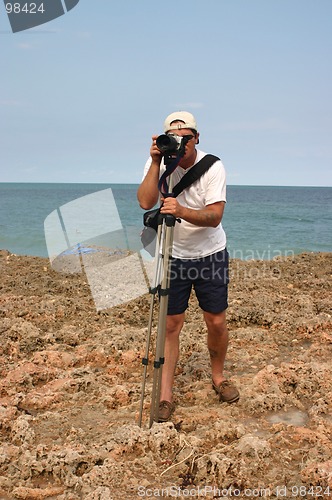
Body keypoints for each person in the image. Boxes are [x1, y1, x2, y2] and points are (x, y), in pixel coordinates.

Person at [137, 111, 239, 422]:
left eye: (187, 136)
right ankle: (166, 394)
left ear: (197, 138)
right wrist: (155, 162)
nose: (181, 142)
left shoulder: (213, 166)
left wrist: (180, 209)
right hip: (173, 254)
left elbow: (214, 217)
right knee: (170, 325)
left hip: (210, 254)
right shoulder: (161, 162)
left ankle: (218, 377)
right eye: (174, 136)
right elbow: (145, 202)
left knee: (216, 322)